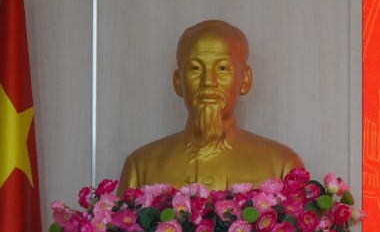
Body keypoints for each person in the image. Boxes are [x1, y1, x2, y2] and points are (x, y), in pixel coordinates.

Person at [119, 20, 305, 190]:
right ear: (177, 82)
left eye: (222, 68)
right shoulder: (141, 167)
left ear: (245, 79)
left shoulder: (282, 165)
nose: (208, 82)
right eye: (195, 68)